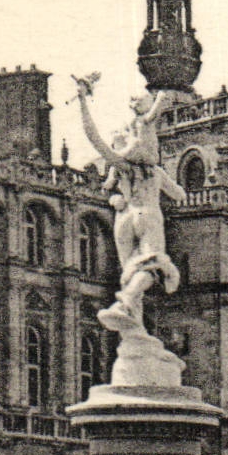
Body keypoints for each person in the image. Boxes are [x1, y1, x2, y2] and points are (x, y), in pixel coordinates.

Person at [73, 75, 185, 334]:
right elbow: (178, 195)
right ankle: (127, 303)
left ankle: (133, 325)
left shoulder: (121, 168)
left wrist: (82, 99)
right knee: (152, 266)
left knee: (129, 272)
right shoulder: (154, 172)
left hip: (124, 220)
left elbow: (93, 137)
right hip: (148, 215)